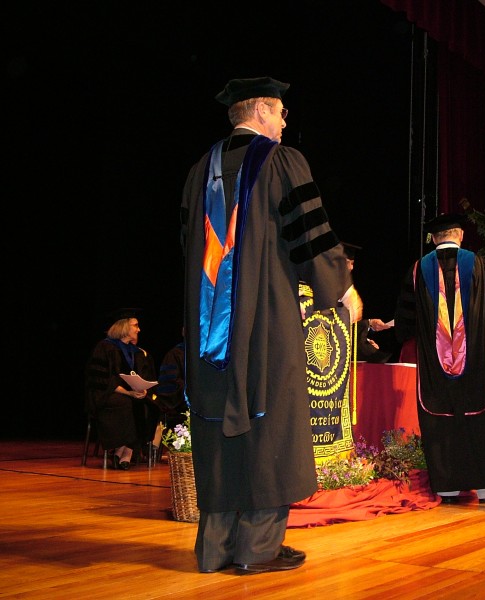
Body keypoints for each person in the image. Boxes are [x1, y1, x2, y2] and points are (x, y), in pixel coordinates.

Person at [181, 75, 362, 575]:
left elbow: (187, 247)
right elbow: (310, 236)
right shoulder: (283, 162)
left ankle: (215, 549)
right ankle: (257, 549)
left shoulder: (200, 171)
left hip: (207, 331)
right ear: (261, 111)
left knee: (218, 427)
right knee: (270, 421)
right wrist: (342, 286)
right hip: (267, 322)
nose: (284, 122)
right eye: (280, 112)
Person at [394, 212, 485, 504]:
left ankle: (448, 489)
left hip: (434, 368)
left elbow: (405, 324)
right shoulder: (478, 265)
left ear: (434, 238)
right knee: (481, 417)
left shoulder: (416, 270)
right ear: (459, 235)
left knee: (441, 419)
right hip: (475, 365)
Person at [84, 309, 160, 470]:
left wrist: (143, 390)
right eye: (135, 325)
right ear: (124, 326)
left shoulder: (138, 353)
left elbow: (143, 378)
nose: (139, 329)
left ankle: (127, 450)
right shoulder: (105, 347)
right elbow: (100, 380)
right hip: (107, 395)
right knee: (125, 404)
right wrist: (128, 392)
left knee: (149, 406)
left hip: (132, 395)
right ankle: (122, 450)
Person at [342, 242, 394, 363]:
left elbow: (347, 323)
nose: (351, 268)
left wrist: (368, 327)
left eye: (353, 263)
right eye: (349, 263)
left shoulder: (346, 288)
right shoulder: (326, 288)